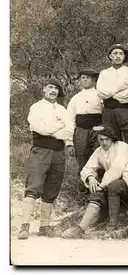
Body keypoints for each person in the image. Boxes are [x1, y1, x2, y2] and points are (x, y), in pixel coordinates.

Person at [18, 79, 75, 240]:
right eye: (50, 87)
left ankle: (44, 226)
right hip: (40, 150)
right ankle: (24, 226)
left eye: (56, 88)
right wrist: (58, 129)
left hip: (58, 152)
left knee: (52, 187)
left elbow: (70, 128)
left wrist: (58, 133)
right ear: (44, 89)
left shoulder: (63, 109)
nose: (53, 91)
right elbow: (39, 128)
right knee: (34, 186)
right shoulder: (36, 107)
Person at [61, 125, 128, 238]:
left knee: (111, 185)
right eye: (101, 139)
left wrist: (101, 186)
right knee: (93, 188)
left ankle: (112, 225)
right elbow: (87, 168)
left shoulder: (122, 147)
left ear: (112, 138)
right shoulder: (99, 151)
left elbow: (117, 169)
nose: (104, 142)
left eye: (106, 139)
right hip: (110, 184)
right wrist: (91, 177)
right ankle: (81, 228)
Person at [96, 43, 128, 151]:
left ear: (124, 56)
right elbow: (101, 93)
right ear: (110, 56)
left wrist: (113, 95)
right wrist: (120, 88)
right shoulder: (104, 73)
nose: (118, 56)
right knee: (112, 141)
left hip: (126, 110)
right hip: (108, 111)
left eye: (121, 53)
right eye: (115, 53)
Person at [67, 68, 103, 172]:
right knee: (82, 158)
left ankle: (99, 185)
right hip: (81, 132)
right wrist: (69, 142)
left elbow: (106, 114)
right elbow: (69, 120)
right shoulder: (75, 98)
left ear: (93, 80)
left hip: (97, 130)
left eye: (88, 78)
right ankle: (83, 186)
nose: (85, 80)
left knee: (99, 156)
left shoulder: (100, 95)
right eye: (83, 78)